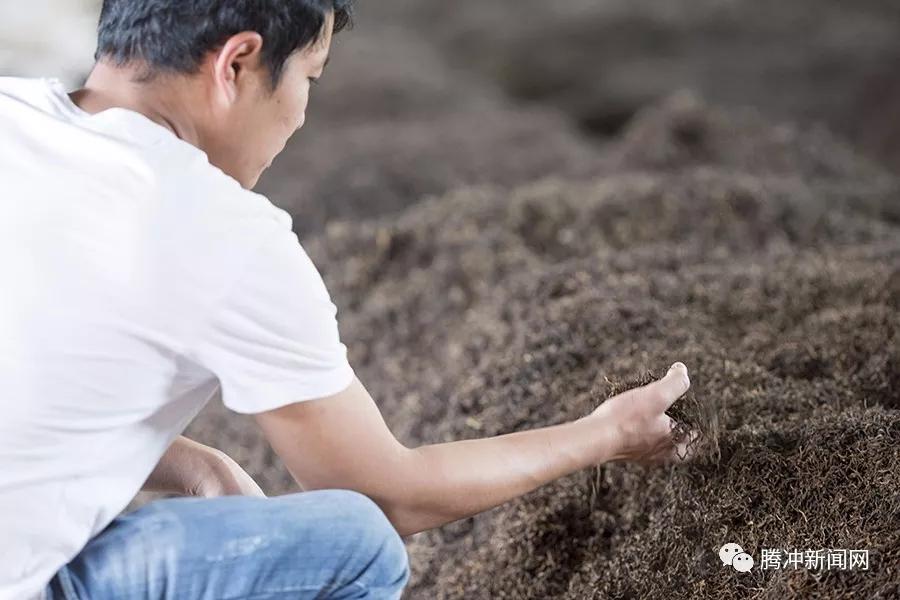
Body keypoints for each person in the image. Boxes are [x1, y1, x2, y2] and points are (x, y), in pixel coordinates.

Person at [0, 1, 698, 598]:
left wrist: (197, 462)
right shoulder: (218, 229)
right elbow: (391, 493)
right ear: (237, 64)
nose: (301, 115)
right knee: (354, 541)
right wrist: (603, 435)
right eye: (309, 77)